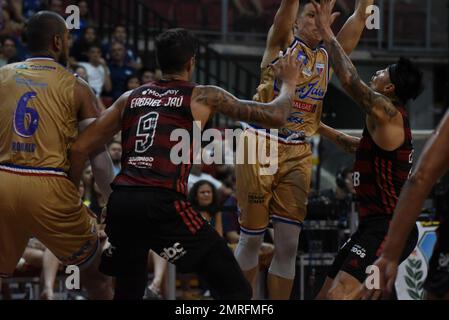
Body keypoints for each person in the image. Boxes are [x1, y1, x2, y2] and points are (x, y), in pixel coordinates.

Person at [67, 27, 303, 300]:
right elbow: (276, 116)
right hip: (163, 202)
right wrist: (288, 82)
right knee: (237, 290)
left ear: (159, 62)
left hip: (123, 205)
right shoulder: (203, 95)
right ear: (192, 61)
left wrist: (74, 198)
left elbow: (80, 147)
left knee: (128, 291)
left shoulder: (128, 98)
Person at [234, 0, 374, 299]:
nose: (317, 20)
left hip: (297, 148)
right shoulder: (282, 45)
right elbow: (287, 9)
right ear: (296, 23)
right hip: (260, 142)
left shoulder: (328, 55)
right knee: (252, 239)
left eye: (321, 16)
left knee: (288, 243)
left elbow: (362, 16)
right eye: (310, 15)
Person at [310, 0, 424, 300]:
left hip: (389, 226)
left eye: (384, 72)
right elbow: (357, 147)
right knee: (324, 296)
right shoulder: (383, 120)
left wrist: (327, 33)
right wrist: (318, 127)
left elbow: (349, 81)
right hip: (371, 225)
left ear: (389, 89)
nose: (378, 73)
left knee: (340, 296)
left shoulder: (388, 113)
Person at [0, 11, 115, 299]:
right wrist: (114, 200)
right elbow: (98, 157)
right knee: (96, 274)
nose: (68, 42)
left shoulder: (1, 76)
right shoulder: (77, 86)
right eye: (66, 38)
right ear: (56, 41)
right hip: (49, 186)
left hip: (3, 181)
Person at [361, 112, 449, 300]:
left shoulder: (390, 119)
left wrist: (389, 255)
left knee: (341, 290)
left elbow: (420, 178)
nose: (374, 79)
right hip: (376, 226)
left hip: (383, 226)